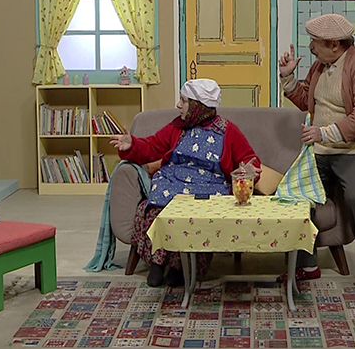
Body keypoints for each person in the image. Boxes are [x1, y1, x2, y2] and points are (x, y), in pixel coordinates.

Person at [277, 13, 355, 292]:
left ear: (335, 44)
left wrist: (323, 133)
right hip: (321, 151)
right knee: (299, 196)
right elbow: (306, 101)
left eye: (315, 42)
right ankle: (307, 265)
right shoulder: (320, 66)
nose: (311, 47)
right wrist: (288, 77)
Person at [111, 78, 261, 287]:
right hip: (172, 180)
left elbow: (249, 159)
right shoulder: (177, 126)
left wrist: (250, 169)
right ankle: (157, 265)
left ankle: (179, 268)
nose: (178, 105)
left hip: (209, 184)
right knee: (157, 208)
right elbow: (152, 146)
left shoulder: (228, 130)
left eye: (183, 101)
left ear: (198, 106)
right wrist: (131, 145)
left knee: (198, 217)